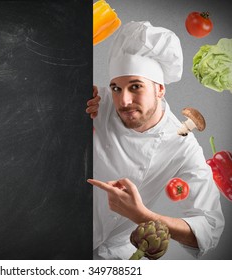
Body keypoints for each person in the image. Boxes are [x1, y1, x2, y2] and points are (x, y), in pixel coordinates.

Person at [86, 21, 225, 260]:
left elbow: (210, 228)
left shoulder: (182, 144)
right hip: (53, 234)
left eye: (136, 87)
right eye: (116, 88)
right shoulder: (96, 103)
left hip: (113, 256)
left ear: (160, 89)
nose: (124, 101)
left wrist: (141, 215)